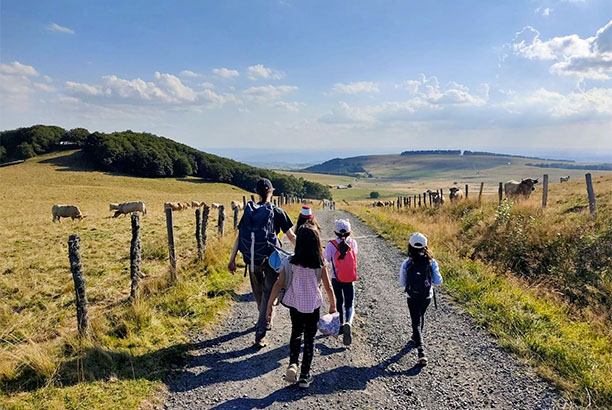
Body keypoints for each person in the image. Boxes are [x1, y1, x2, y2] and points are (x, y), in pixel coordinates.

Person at [228, 178, 296, 348]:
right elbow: (291, 237)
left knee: (258, 292)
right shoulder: (276, 211)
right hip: (271, 260)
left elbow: (240, 236)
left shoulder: (249, 211)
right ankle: (260, 332)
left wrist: (232, 259)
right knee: (268, 293)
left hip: (251, 259)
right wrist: (306, 252)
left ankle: (264, 316)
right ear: (271, 192)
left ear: (256, 192)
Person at [266, 225, 336, 389]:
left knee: (296, 333)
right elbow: (328, 287)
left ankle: (292, 364)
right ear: (316, 243)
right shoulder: (320, 264)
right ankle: (304, 376)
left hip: (295, 305)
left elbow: (278, 284)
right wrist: (333, 305)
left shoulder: (289, 262)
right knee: (310, 340)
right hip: (313, 307)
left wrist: (270, 305)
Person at [399, 232, 442, 366]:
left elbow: (402, 282)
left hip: (412, 296)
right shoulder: (431, 262)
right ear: (425, 246)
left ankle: (421, 351)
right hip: (426, 296)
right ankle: (415, 338)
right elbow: (438, 281)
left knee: (415, 322)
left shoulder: (407, 263)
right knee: (420, 317)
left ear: (410, 246)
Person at [324, 219, 358, 345]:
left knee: (339, 301)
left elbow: (325, 261)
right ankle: (349, 322)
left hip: (336, 278)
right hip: (349, 279)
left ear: (335, 232)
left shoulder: (331, 245)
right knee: (349, 303)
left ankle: (341, 324)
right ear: (349, 232)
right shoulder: (353, 243)